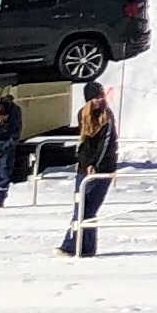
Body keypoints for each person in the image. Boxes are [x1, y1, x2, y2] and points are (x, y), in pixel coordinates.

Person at [58, 79, 120, 257]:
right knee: (82, 208)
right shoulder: (83, 114)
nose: (100, 100)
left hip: (102, 169)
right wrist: (85, 163)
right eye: (96, 97)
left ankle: (70, 245)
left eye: (101, 96)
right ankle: (86, 247)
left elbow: (105, 146)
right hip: (84, 169)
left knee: (87, 208)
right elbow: (84, 144)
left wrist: (96, 165)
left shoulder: (106, 117)